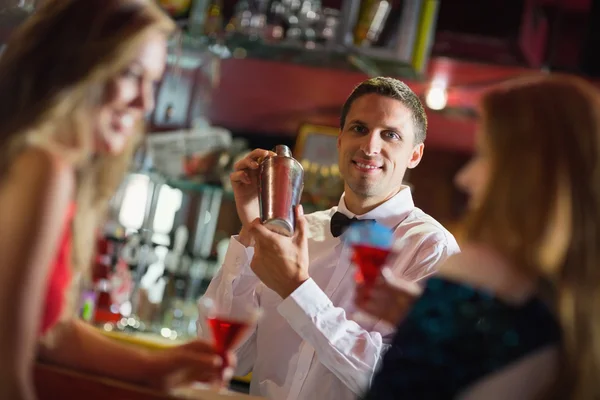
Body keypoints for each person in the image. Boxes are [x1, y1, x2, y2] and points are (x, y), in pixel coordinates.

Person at [0, 1, 233, 399]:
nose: (145, 103)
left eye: (153, 82)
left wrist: (155, 366)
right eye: (130, 74)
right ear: (74, 66)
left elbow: (50, 331)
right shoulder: (43, 167)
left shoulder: (45, 165)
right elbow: (7, 374)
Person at [204, 77, 460, 400]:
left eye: (390, 135)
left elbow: (398, 383)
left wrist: (296, 289)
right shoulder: (296, 232)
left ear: (415, 154)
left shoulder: (434, 249)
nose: (370, 147)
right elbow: (228, 358)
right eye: (358, 129)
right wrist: (250, 229)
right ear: (339, 141)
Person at [362, 74, 600, 399]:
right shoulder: (576, 305)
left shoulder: (478, 275)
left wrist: (442, 316)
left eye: (484, 155)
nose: (464, 178)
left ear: (527, 173)